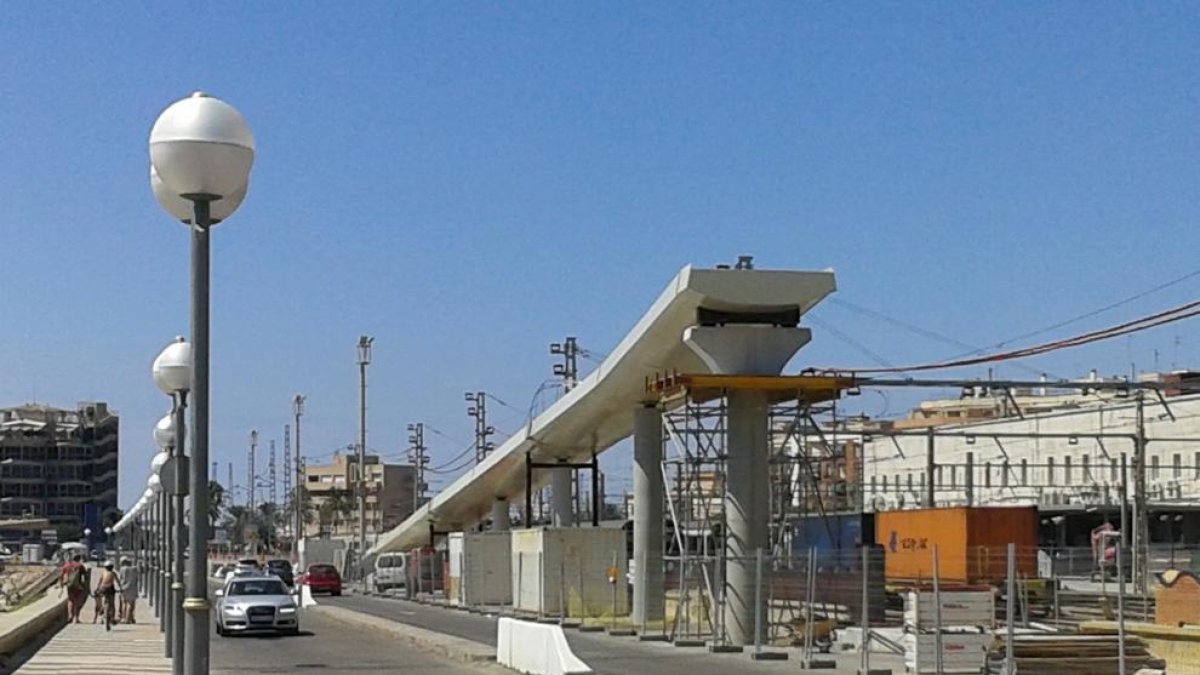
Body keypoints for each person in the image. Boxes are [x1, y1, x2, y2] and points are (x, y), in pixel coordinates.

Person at [60, 554, 88, 623]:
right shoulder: (80, 566)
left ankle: (70, 615)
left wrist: (62, 584)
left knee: (70, 600)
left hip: (69, 585)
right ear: (79, 559)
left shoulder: (67, 565)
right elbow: (85, 577)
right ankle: (76, 618)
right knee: (77, 601)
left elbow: (61, 575)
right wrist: (85, 586)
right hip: (78, 586)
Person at [94, 560, 120, 630]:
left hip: (103, 588)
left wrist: (97, 588)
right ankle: (112, 618)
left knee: (104, 601)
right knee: (112, 603)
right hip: (110, 589)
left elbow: (100, 581)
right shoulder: (113, 573)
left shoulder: (103, 573)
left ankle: (103, 612)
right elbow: (118, 581)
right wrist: (120, 588)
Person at [118, 558, 139, 624]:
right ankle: (128, 618)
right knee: (130, 604)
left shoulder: (122, 569)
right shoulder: (134, 569)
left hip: (123, 587)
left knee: (124, 603)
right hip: (132, 588)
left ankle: (123, 618)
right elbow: (137, 578)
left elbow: (121, 578)